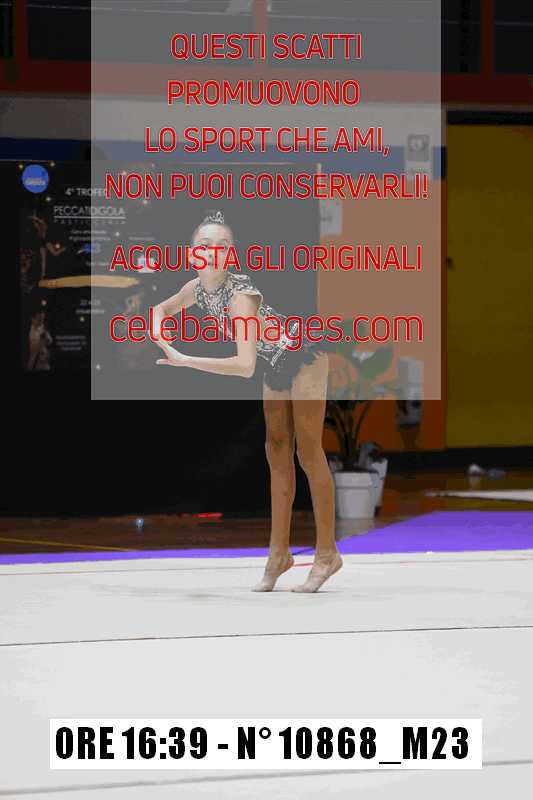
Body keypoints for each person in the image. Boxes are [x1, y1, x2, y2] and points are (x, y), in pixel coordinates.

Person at [151, 211, 342, 592]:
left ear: (232, 255)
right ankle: (279, 555)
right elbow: (161, 309)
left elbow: (243, 365)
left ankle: (327, 554)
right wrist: (159, 331)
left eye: (222, 246)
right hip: (277, 362)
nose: (213, 252)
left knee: (308, 452)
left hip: (303, 354)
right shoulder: (196, 289)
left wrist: (185, 359)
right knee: (276, 450)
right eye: (204, 245)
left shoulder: (240, 296)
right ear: (191, 253)